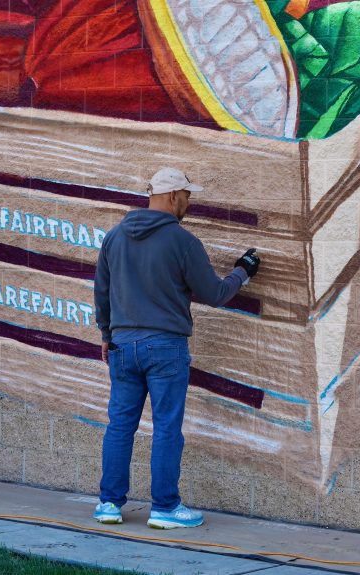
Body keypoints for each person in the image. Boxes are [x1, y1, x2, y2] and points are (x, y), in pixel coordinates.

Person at [93, 167, 260, 529]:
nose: (189, 203)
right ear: (172, 196)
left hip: (122, 345)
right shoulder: (183, 242)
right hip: (165, 347)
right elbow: (215, 294)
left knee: (120, 426)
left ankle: (108, 504)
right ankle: (165, 508)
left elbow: (102, 292)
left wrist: (106, 334)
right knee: (167, 428)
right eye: (187, 196)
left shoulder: (114, 238)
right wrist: (242, 272)